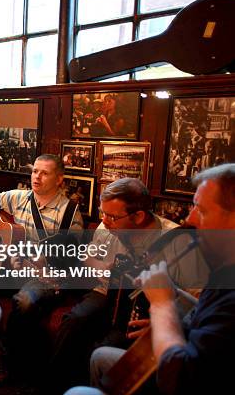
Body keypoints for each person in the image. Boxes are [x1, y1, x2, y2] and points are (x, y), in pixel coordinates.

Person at [65, 163, 235, 395]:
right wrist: (174, 323)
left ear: (139, 216)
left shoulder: (179, 240)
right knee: (82, 333)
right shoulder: (224, 274)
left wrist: (162, 305)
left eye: (202, 210)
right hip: (109, 296)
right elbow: (202, 315)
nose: (191, 219)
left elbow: (180, 378)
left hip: (175, 372)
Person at [0, 154, 84, 383]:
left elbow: (71, 258)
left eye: (44, 173)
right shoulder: (19, 198)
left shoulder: (70, 212)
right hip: (14, 269)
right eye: (35, 171)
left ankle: (2, 352)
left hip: (45, 278)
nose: (37, 176)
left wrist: (45, 263)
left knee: (25, 301)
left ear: (59, 179)